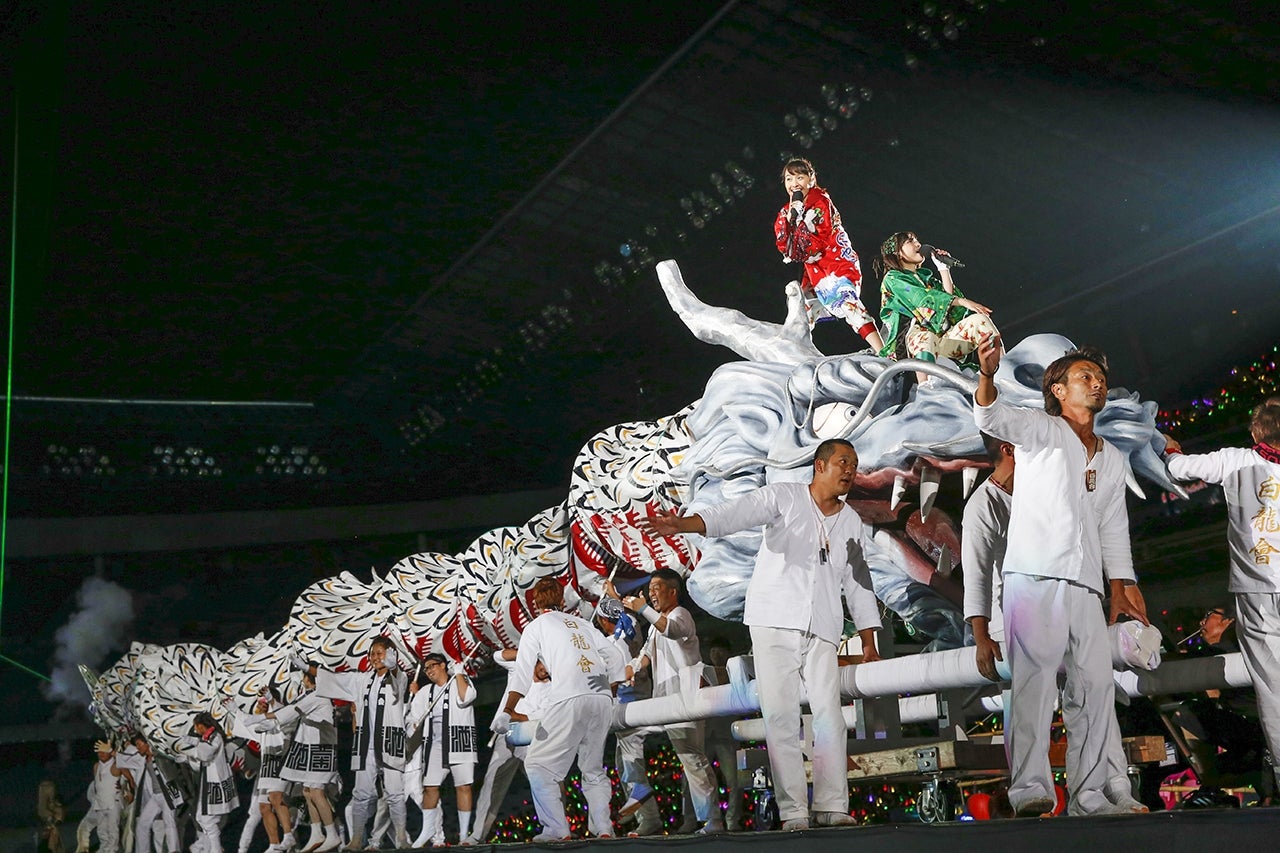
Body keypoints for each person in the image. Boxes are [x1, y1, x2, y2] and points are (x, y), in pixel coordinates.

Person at [637, 438, 882, 830]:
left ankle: (832, 805)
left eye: (854, 463)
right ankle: (794, 812)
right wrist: (684, 524)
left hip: (822, 628)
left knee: (830, 716)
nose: (850, 470)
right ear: (820, 466)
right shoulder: (783, 496)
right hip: (773, 622)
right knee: (781, 718)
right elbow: (735, 513)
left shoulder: (851, 520)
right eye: (842, 462)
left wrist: (869, 640)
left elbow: (858, 583)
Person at [972, 336, 1147, 817]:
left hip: (1086, 585)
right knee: (1033, 688)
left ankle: (1089, 796)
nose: (1098, 384)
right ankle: (1030, 791)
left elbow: (1114, 527)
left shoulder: (1111, 456)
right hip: (1033, 576)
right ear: (1057, 388)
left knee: (1093, 690)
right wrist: (986, 374)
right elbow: (989, 417)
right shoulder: (1039, 429)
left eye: (1101, 379)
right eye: (1086, 377)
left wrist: (1121, 587)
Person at [1162, 394, 1280, 797]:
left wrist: (1170, 448)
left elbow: (1178, 468)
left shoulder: (1236, 459)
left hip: (1258, 594)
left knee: (1273, 689)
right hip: (1259, 593)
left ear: (1255, 432)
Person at [490, 578, 624, 842]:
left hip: (568, 698)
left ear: (535, 603)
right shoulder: (583, 624)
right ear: (561, 599)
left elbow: (522, 673)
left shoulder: (536, 626)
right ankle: (604, 827)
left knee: (539, 765)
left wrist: (507, 710)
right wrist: (612, 689)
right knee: (593, 768)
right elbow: (616, 657)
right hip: (601, 698)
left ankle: (556, 829)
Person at [617, 570, 724, 835]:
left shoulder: (680, 615)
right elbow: (644, 657)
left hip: (685, 701)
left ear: (673, 591)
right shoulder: (657, 624)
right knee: (629, 736)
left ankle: (713, 821)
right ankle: (644, 801)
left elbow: (672, 631)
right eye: (650, 588)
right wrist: (628, 671)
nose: (652, 593)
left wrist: (643, 609)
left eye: (657, 587)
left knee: (692, 759)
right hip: (663, 704)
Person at [300, 636, 411, 850]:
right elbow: (332, 679)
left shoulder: (399, 677)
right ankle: (357, 838)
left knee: (395, 793)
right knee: (361, 794)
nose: (375, 658)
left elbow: (398, 682)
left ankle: (401, 838)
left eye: (379, 653)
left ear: (389, 654)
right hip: (365, 742)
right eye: (372, 654)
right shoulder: (362, 680)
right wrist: (306, 667)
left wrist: (393, 665)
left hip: (390, 740)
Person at [773, 158, 884, 351]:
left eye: (800, 177)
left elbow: (816, 241)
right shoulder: (785, 212)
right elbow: (785, 247)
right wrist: (791, 219)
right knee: (803, 311)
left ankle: (885, 353)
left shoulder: (821, 201)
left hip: (836, 263)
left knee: (850, 305)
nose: (794, 184)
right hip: (815, 271)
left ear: (811, 179)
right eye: (789, 179)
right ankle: (794, 353)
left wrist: (799, 225)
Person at [460, 655, 552, 846]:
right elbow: (498, 655)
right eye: (544, 663)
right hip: (505, 736)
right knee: (492, 782)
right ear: (537, 660)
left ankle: (555, 827)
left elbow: (541, 715)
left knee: (542, 782)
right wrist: (529, 649)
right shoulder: (518, 669)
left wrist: (511, 714)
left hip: (530, 738)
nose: (546, 670)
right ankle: (477, 834)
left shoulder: (551, 687)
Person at [875, 231, 997, 374]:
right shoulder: (892, 279)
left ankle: (1001, 370)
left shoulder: (927, 279)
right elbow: (922, 297)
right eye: (910, 241)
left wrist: (943, 268)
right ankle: (926, 388)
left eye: (916, 240)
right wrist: (962, 301)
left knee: (980, 320)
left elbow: (946, 300)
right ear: (897, 253)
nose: (918, 244)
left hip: (941, 342)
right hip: (912, 345)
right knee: (926, 335)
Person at [406, 653, 478, 846]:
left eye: (432, 666)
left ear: (444, 665)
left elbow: (467, 698)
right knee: (430, 787)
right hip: (436, 743)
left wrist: (460, 672)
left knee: (463, 786)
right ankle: (427, 829)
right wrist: (413, 723)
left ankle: (464, 836)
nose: (429, 671)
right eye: (426, 668)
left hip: (459, 737)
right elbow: (414, 715)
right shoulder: (426, 691)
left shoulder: (459, 681)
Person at [268, 671, 342, 853]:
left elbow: (291, 712)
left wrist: (255, 718)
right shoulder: (308, 695)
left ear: (310, 680)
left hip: (322, 748)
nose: (301, 680)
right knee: (308, 791)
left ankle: (332, 834)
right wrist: (272, 699)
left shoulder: (318, 695)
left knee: (317, 792)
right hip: (311, 749)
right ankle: (317, 833)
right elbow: (291, 707)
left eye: (304, 677)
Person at [179, 713, 240, 853]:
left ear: (201, 726)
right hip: (209, 785)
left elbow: (205, 754)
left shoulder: (215, 737)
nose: (195, 730)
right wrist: (187, 759)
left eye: (196, 726)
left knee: (207, 821)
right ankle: (207, 847)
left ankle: (214, 849)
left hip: (216, 785)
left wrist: (191, 750)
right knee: (201, 818)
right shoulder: (207, 738)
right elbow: (201, 763)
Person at [121, 735, 181, 853]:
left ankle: (174, 850)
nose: (138, 748)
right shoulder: (144, 758)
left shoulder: (159, 755)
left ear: (147, 743)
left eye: (139, 744)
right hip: (156, 796)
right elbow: (124, 761)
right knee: (142, 824)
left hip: (167, 794)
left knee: (169, 822)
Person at [77, 741, 126, 853]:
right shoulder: (97, 767)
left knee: (112, 829)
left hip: (114, 802)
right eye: (99, 753)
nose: (101, 754)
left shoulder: (116, 765)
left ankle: (112, 849)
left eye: (104, 752)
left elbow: (126, 772)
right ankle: (104, 849)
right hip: (100, 804)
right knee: (102, 830)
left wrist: (113, 752)